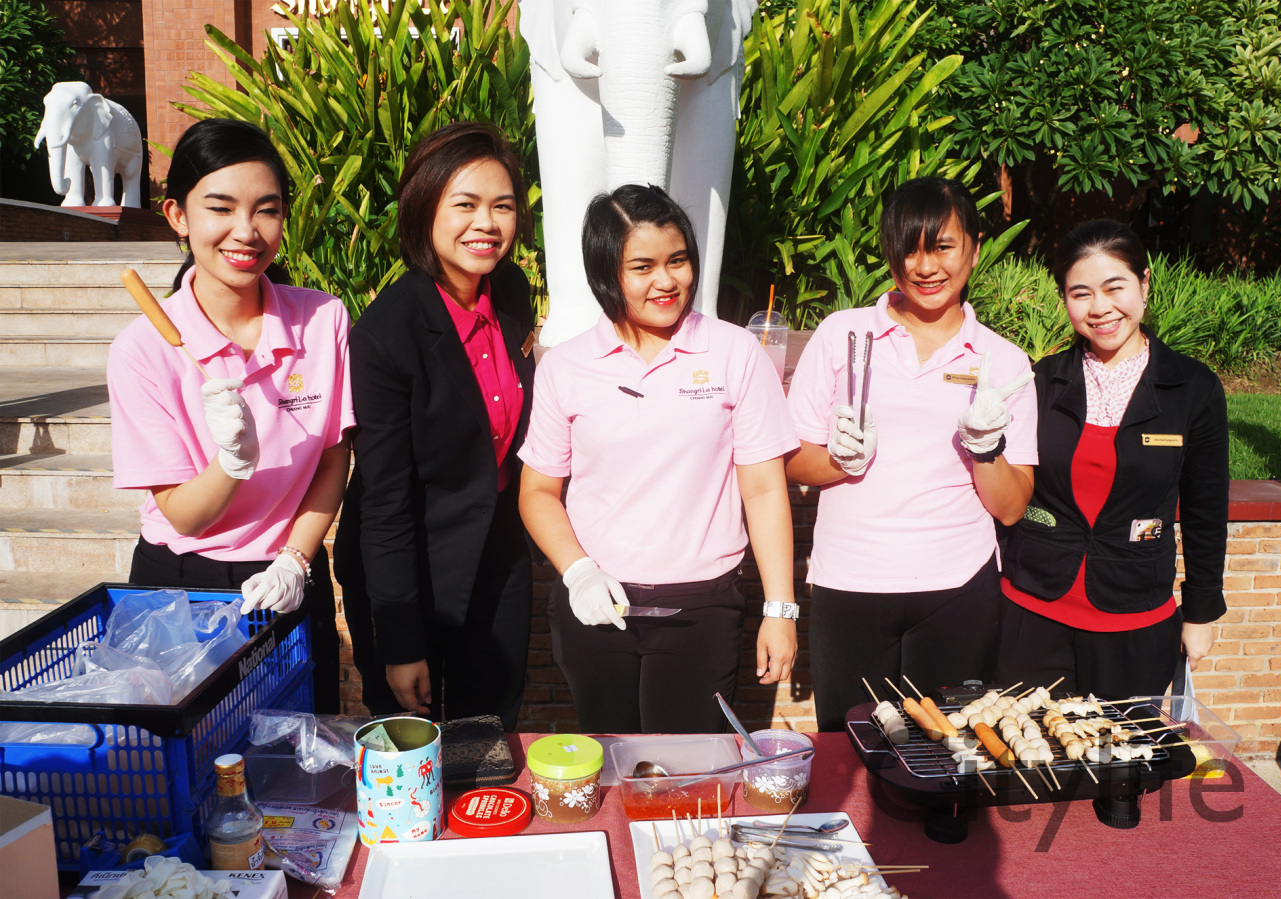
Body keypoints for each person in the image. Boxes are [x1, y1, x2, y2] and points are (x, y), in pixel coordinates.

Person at [518, 184, 800, 734]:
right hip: (597, 602)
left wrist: (780, 609)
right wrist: (579, 572)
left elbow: (764, 488)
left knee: (688, 768)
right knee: (610, 760)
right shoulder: (566, 366)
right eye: (642, 267)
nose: (667, 281)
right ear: (606, 272)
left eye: (678, 260)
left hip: (701, 608)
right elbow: (538, 491)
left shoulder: (734, 352)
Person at [108, 118, 352, 713]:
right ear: (178, 216)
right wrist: (232, 461)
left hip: (289, 573)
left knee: (301, 744)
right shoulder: (142, 349)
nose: (246, 231)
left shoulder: (323, 320)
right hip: (182, 588)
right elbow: (185, 516)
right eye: (220, 208)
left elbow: (333, 455)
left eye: (267, 210)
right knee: (192, 754)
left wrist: (296, 559)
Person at [785, 177, 1038, 731]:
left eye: (942, 247)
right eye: (909, 249)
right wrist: (840, 461)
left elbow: (1012, 508)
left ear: (974, 247)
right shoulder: (844, 335)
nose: (925, 267)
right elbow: (792, 460)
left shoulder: (1003, 362)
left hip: (958, 588)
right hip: (851, 582)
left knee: (948, 751)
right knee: (851, 748)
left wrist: (986, 448)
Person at [334, 123, 537, 727]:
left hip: (496, 551)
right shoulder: (386, 335)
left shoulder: (510, 291)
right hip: (410, 564)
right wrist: (400, 642)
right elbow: (385, 501)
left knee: (488, 735)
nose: (487, 224)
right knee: (410, 744)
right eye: (465, 205)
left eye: (502, 206)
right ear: (425, 208)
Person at [996, 220, 1227, 697]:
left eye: (1114, 287)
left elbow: (1205, 509)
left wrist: (1201, 612)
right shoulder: (1041, 382)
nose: (1099, 308)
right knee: (1028, 742)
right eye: (1080, 294)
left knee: (1124, 745)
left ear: (1144, 284)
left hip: (1135, 620)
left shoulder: (1192, 388)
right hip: (1032, 613)